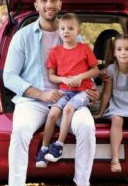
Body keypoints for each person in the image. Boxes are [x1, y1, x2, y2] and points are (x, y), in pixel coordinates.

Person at [3, 0, 97, 186]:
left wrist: (90, 90)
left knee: (86, 126)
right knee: (20, 131)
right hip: (33, 101)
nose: (49, 4)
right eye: (44, 0)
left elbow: (85, 70)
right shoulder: (23, 36)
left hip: (69, 98)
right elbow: (9, 76)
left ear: (60, 3)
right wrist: (40, 94)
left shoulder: (74, 36)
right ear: (36, 5)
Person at [35, 13, 99, 167]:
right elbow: (51, 76)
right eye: (63, 28)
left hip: (83, 91)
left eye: (70, 28)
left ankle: (58, 145)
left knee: (69, 109)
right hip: (64, 90)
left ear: (78, 31)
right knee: (52, 114)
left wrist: (81, 76)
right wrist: (63, 79)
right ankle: (44, 149)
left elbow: (95, 71)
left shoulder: (84, 49)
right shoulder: (56, 52)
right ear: (58, 31)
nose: (66, 31)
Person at [94, 34, 128, 174]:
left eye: (127, 49)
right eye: (120, 49)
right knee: (116, 120)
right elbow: (106, 93)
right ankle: (115, 160)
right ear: (115, 53)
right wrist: (100, 112)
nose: (123, 52)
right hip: (116, 105)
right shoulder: (110, 69)